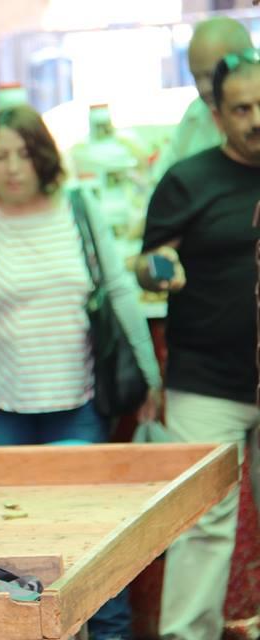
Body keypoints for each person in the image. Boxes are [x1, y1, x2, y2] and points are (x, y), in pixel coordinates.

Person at [0, 105, 162, 640]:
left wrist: (150, 375)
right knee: (9, 553)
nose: (13, 167)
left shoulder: (79, 209)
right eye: (0, 155)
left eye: (24, 153)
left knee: (93, 543)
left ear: (43, 158)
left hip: (79, 405)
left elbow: (120, 291)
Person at [135, 49, 260, 640]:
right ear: (217, 114)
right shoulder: (188, 180)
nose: (256, 119)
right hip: (207, 383)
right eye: (242, 109)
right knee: (205, 522)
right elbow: (147, 263)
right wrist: (159, 267)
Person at [153, 17, 253, 178]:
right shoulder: (196, 112)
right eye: (196, 77)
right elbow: (163, 176)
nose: (203, 88)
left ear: (245, 65)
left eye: (211, 75)